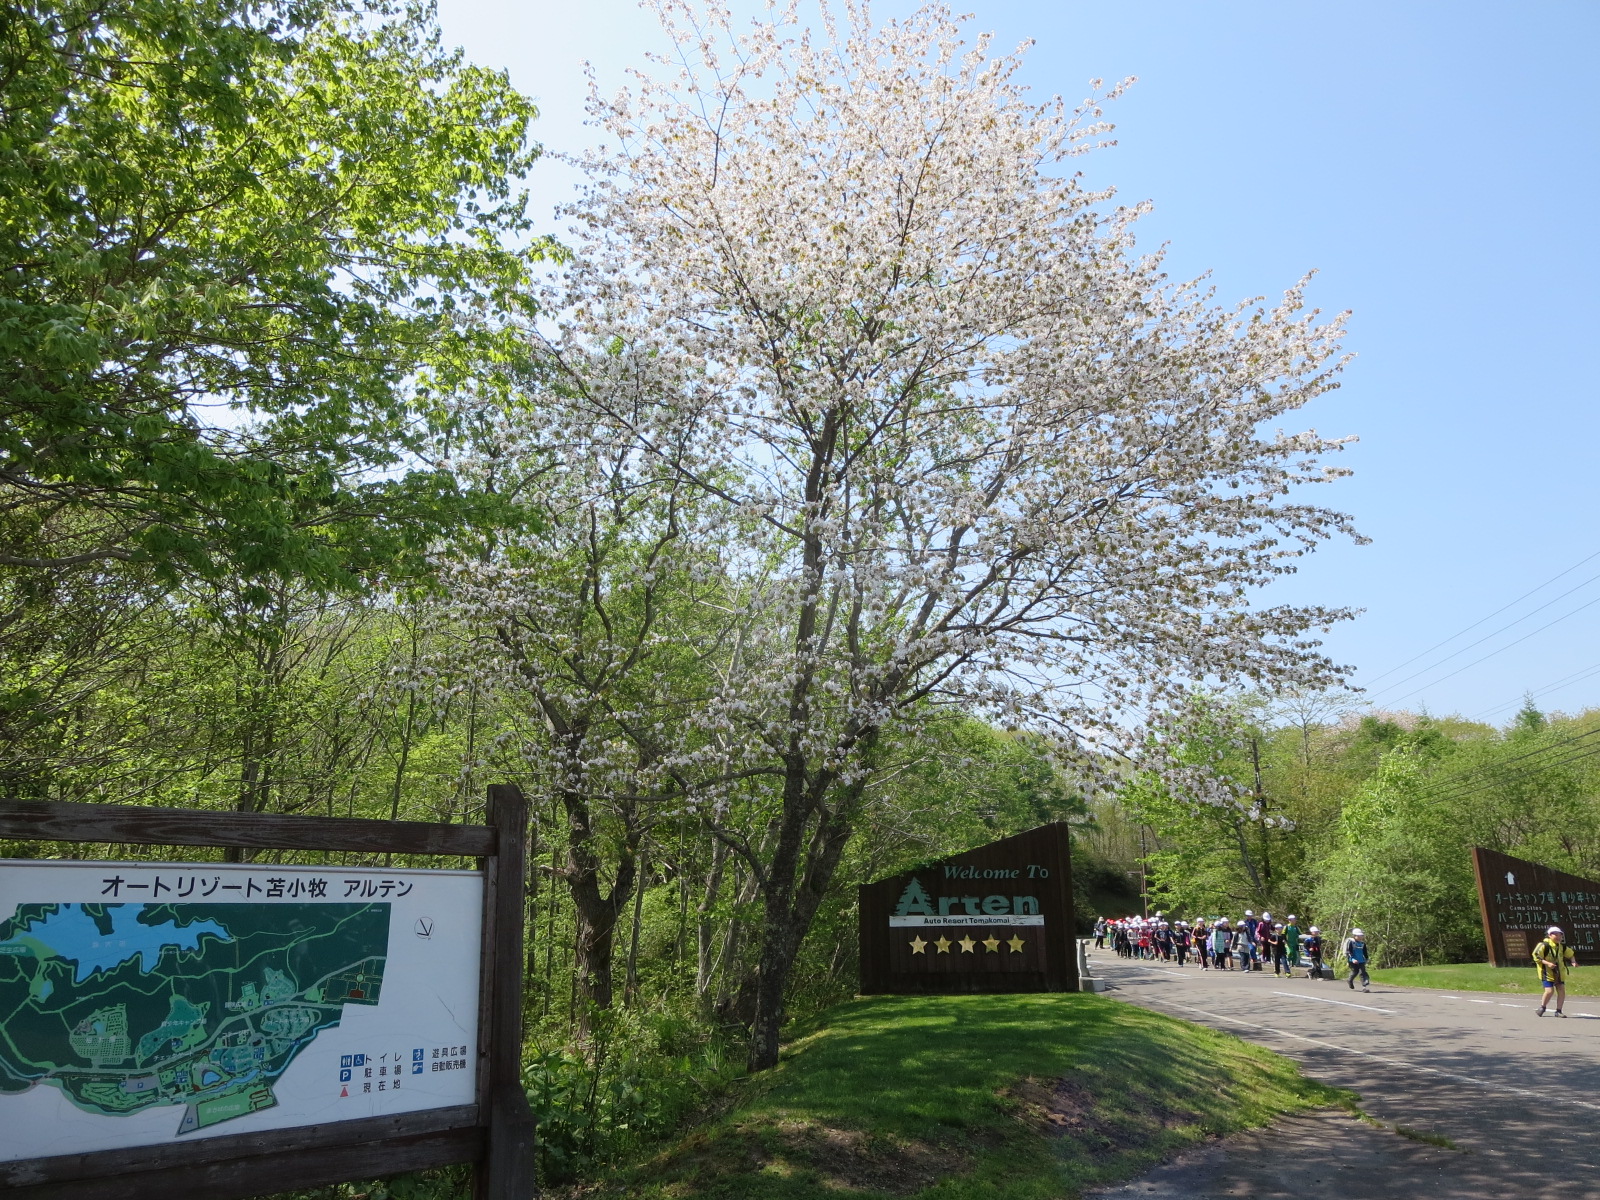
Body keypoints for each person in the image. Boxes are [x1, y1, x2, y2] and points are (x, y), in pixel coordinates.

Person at [1533, 925, 1577, 1017]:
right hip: (1547, 972)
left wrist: (1573, 961)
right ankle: (1543, 1007)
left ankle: (1559, 1011)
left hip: (1559, 973)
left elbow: (1570, 954)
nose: (1558, 937)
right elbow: (1536, 956)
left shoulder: (1562, 947)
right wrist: (1547, 963)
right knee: (1549, 991)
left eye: (1560, 935)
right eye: (1555, 935)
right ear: (1549, 935)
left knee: (1561, 990)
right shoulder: (1543, 945)